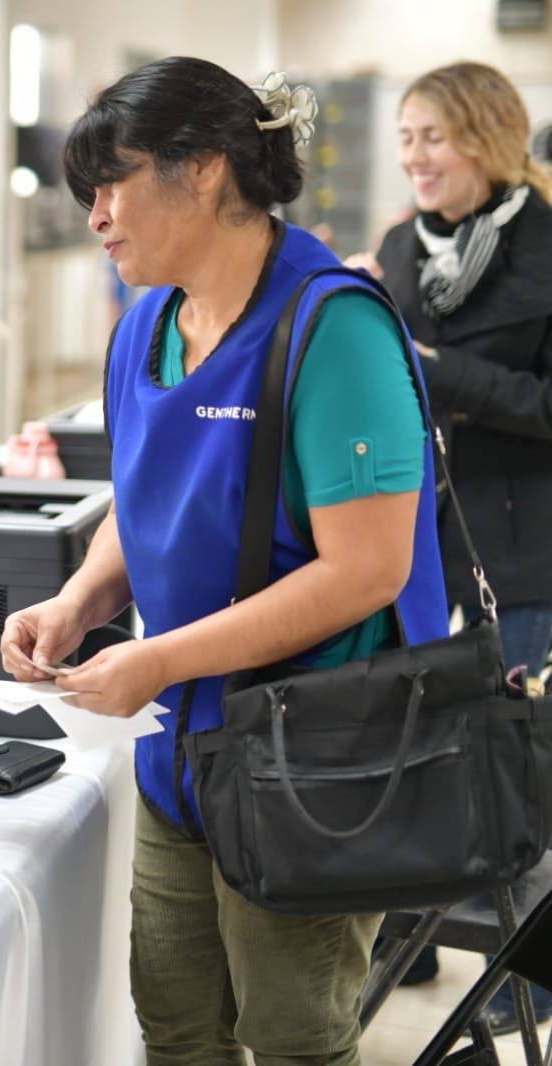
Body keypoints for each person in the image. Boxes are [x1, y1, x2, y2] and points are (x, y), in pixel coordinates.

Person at [2, 58, 448, 1064]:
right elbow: (148, 498)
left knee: (293, 1035)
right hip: (183, 749)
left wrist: (158, 659)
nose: (97, 217)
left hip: (316, 752)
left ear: (203, 169)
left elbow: (365, 570)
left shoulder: (331, 328)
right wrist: (79, 599)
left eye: (113, 184)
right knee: (178, 1024)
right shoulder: (145, 324)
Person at [348, 60, 552, 1026]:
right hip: (416, 541)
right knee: (421, 744)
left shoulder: (547, 247)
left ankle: (523, 978)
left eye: (433, 135)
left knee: (517, 764)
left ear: (486, 134)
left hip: (523, 543)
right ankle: (412, 943)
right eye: (405, 137)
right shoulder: (395, 246)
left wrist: (437, 370)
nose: (415, 156)